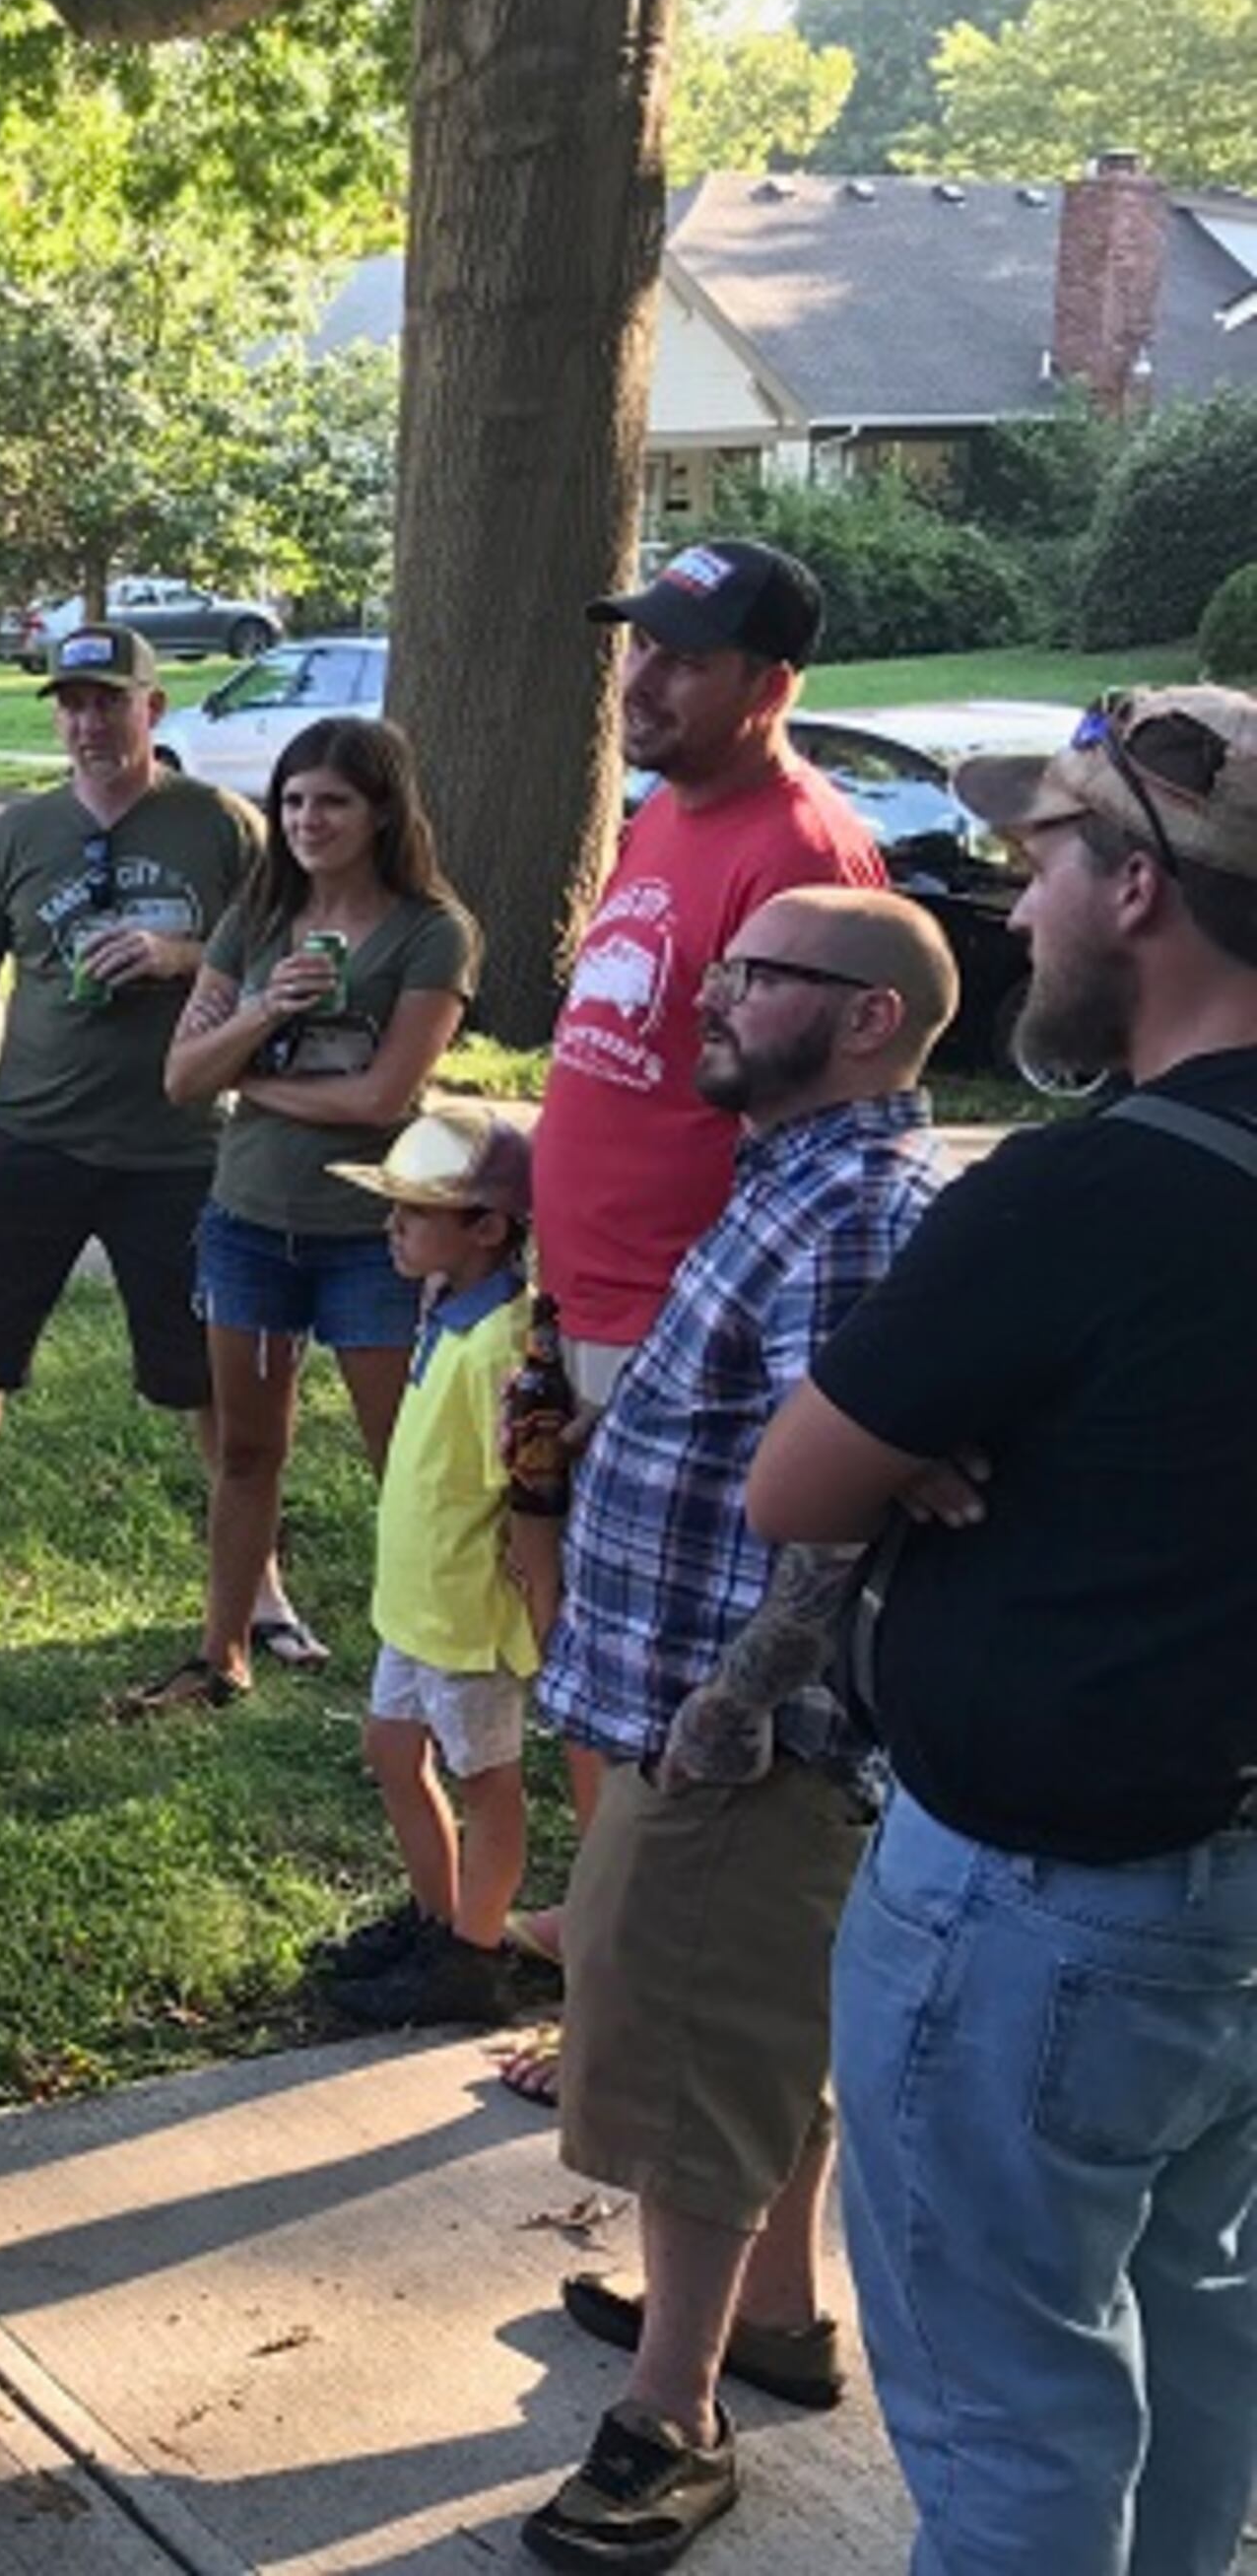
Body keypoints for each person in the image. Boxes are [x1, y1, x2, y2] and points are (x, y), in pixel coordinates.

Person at [745, 688, 1257, 2576]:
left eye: (1038, 855)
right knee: (1203, 2358)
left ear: (1138, 884)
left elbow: (795, 1483)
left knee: (1011, 2417)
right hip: (1232, 1896)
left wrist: (954, 1427)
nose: (1011, 900)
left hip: (1042, 1916)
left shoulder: (1083, 1192)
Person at [517, 885, 956, 2576]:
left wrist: (730, 1704)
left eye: (758, 972)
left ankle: (671, 2417)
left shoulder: (849, 1205)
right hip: (700, 1707)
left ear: (862, 1019)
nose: (710, 989)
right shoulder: (793, 1181)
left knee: (689, 2049)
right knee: (761, 2028)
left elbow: (841, 1509)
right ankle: (773, 2310)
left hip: (735, 1734)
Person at [530, 540, 882, 1805]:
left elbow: (816, 1130)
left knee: (667, 1659)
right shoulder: (663, 811)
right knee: (590, 1625)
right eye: (640, 644)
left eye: (686, 659)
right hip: (584, 1302)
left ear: (770, 688)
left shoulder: (802, 853)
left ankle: (653, 1930)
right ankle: (604, 1910)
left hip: (683, 1331)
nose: (644, 678)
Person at [0, 624, 279, 1669]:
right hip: (31, 1139)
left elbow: (277, 968)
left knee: (205, 1373)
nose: (88, 722)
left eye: (109, 700)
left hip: (177, 1146)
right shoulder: (22, 831)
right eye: (71, 702)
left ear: (154, 706)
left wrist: (181, 952)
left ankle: (258, 1580)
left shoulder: (222, 828)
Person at [162, 717, 477, 1693]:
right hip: (248, 1219)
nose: (308, 819)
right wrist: (263, 1011)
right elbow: (179, 1074)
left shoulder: (432, 932)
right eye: (293, 799)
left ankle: (427, 1653)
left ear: (382, 810)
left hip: (376, 1233)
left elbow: (382, 1098)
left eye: (332, 800)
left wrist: (249, 1079)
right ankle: (224, 1650)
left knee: (406, 1457)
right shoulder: (255, 918)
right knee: (247, 1448)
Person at [305, 1109, 550, 2030]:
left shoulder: (505, 1343)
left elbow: (526, 1498)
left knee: (486, 1778)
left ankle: (475, 1954)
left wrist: (544, 1604)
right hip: (414, 1603)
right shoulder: (447, 1309)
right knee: (391, 1750)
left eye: (413, 1213)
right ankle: (436, 1917)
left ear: (487, 1226)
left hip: (469, 1617)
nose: (391, 1229)